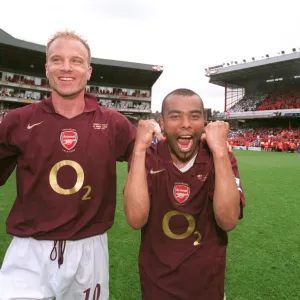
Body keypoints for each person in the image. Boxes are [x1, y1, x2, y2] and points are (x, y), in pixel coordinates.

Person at [0, 31, 141, 300]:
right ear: (47, 68)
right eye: (57, 60)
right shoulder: (17, 120)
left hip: (89, 249)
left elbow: (150, 160)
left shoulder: (114, 123)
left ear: (88, 71)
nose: (66, 67)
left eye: (76, 61)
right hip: (28, 250)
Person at [124, 88, 246, 300]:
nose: (186, 124)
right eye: (175, 116)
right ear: (162, 123)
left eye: (194, 116)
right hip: (157, 286)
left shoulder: (221, 157)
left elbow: (228, 221)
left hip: (208, 287)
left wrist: (219, 153)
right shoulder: (148, 157)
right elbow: (135, 219)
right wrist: (139, 150)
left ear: (205, 122)